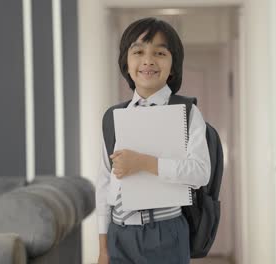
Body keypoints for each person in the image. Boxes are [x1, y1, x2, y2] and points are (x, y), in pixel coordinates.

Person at [96, 17, 211, 264]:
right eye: (138, 51)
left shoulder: (187, 112)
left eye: (159, 52)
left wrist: (143, 163)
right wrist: (103, 247)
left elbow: (201, 172)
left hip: (165, 231)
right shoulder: (112, 117)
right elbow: (104, 183)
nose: (148, 60)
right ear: (126, 63)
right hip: (119, 233)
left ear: (173, 65)